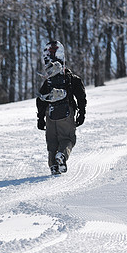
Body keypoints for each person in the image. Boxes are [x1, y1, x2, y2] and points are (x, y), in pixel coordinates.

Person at [36, 41, 86, 175]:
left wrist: (40, 118)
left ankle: (53, 165)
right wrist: (81, 113)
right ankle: (62, 156)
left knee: (52, 141)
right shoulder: (73, 79)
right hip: (66, 113)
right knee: (67, 139)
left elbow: (40, 99)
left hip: (50, 113)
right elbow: (81, 97)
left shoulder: (48, 81)